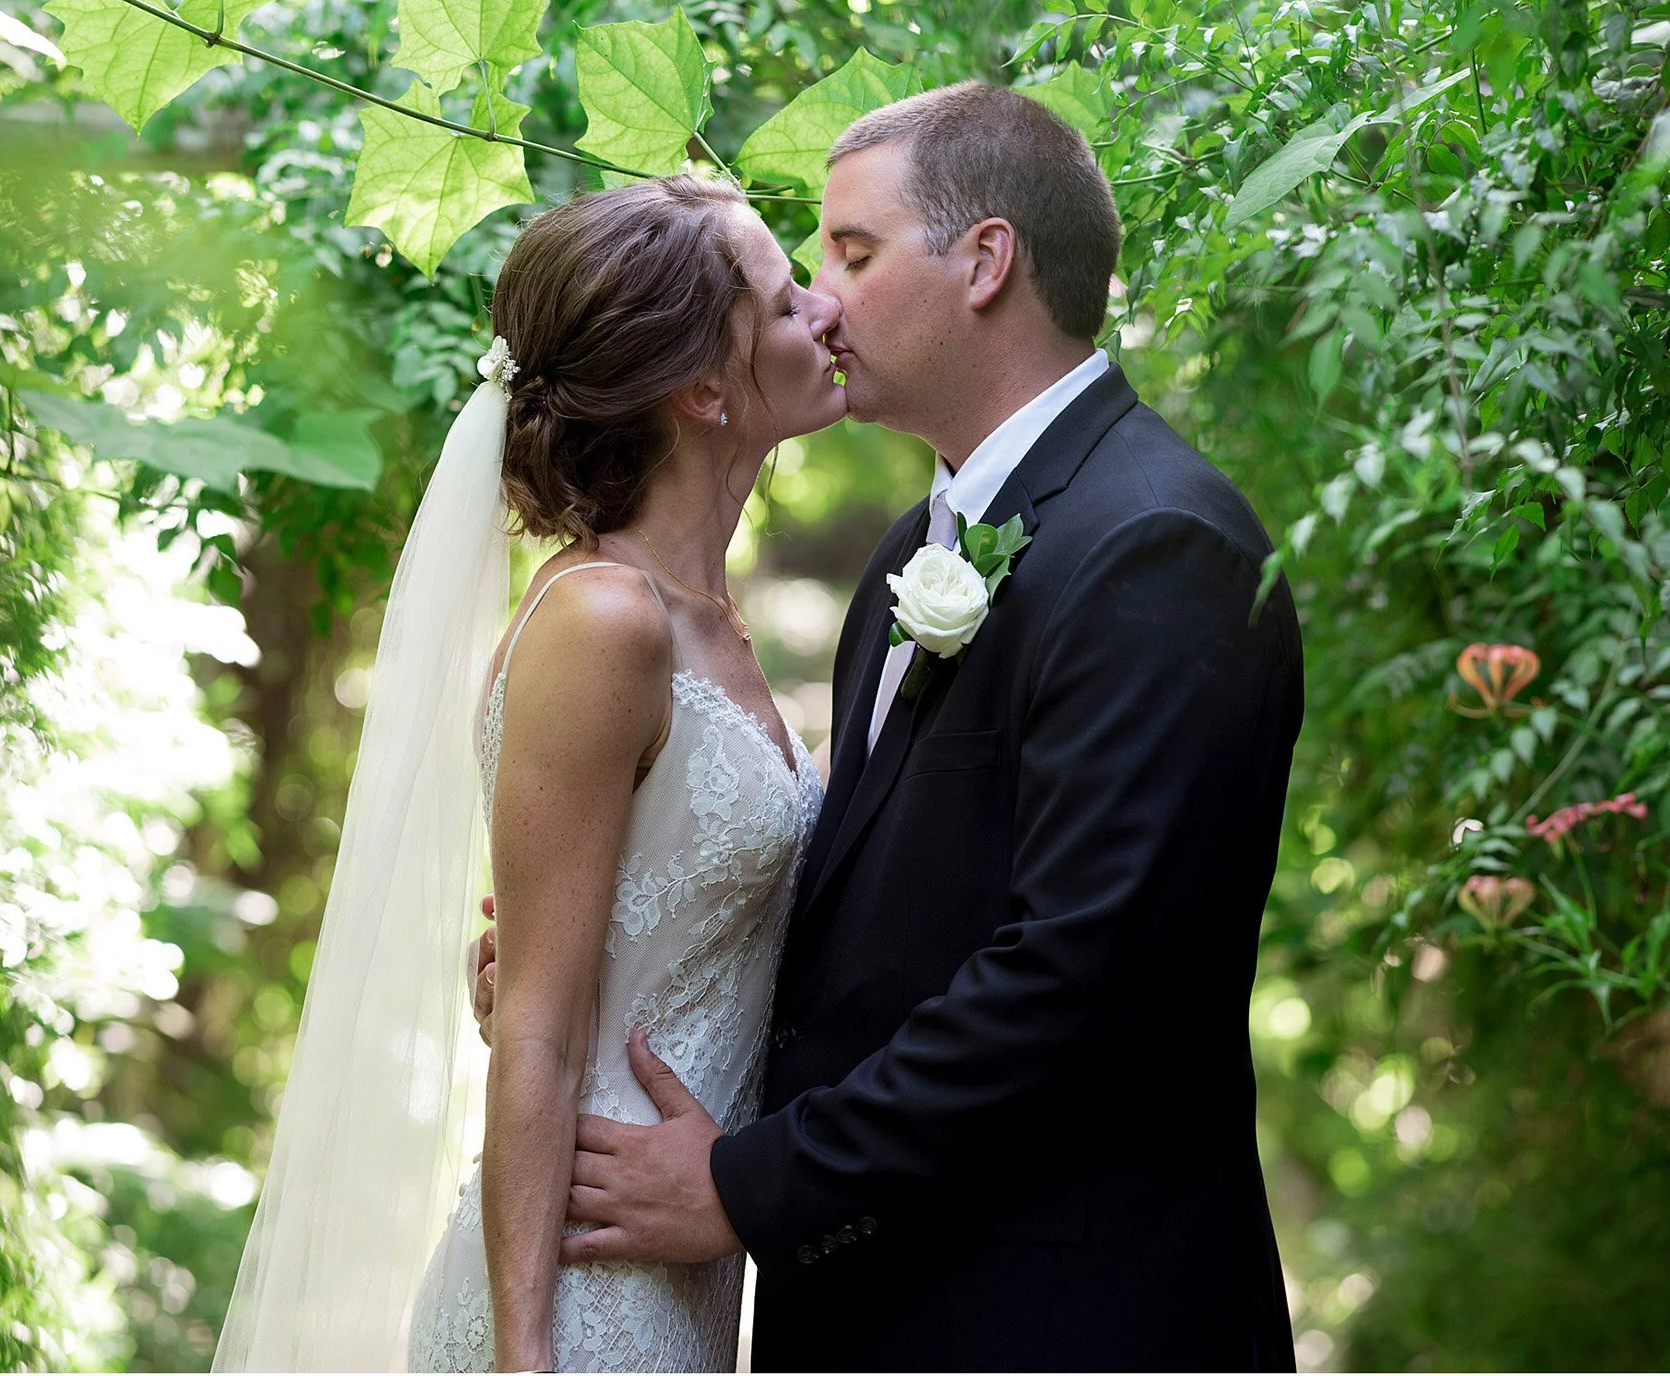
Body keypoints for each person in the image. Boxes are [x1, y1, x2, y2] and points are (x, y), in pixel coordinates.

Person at [471, 81, 1303, 1371]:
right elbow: (854, 919)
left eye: (851, 253)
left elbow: (1074, 983)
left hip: (1055, 1325)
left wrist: (748, 1188)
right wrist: (590, 954)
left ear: (983, 262)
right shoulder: (912, 560)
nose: (822, 300)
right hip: (859, 1306)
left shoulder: (1155, 545)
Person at [214, 173, 844, 1372]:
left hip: (680, 1264)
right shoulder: (601, 620)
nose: (822, 312)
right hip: (580, 1292)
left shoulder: (713, 622)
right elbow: (541, 1032)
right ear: (703, 389)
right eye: (782, 299)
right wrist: (525, 1355)